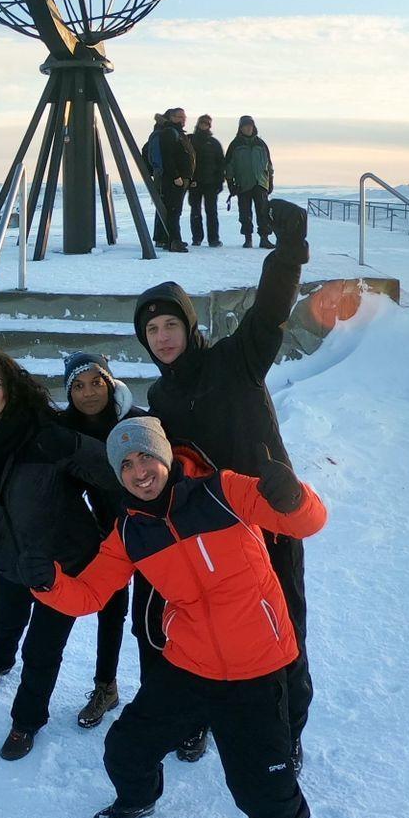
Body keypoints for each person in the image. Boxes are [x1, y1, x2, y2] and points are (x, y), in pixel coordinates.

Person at [32, 416, 326, 818]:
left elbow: (308, 523)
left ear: (166, 455)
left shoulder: (224, 492)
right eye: (125, 464)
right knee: (126, 747)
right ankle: (138, 797)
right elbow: (88, 595)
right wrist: (46, 583)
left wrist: (292, 495)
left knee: (262, 780)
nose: (138, 471)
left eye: (145, 456)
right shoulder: (130, 530)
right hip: (189, 666)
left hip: (257, 665)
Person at [134, 198, 315, 771]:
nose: (162, 337)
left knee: (283, 626)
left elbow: (269, 314)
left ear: (189, 326)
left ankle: (287, 731)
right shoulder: (159, 399)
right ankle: (198, 720)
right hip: (210, 533)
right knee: (204, 628)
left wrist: (287, 253)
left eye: (170, 324)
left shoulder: (236, 360)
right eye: (151, 330)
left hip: (269, 519)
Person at [0, 344, 120, 760]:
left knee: (43, 648)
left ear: (10, 391)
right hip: (5, 558)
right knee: (7, 619)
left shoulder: (44, 436)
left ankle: (26, 721)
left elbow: (111, 468)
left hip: (62, 561)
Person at [55, 352, 155, 728]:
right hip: (110, 537)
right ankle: (106, 686)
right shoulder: (70, 431)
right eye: (78, 386)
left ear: (110, 381)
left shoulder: (138, 421)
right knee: (111, 610)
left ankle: (166, 697)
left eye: (96, 381)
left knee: (156, 620)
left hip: (155, 532)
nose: (89, 393)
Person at [141, 108, 193, 253]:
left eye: (184, 117)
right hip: (172, 179)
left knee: (171, 209)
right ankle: (174, 241)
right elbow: (168, 156)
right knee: (173, 210)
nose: (182, 119)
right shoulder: (170, 133)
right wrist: (176, 176)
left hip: (174, 178)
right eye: (179, 116)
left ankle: (167, 238)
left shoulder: (174, 132)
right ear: (171, 117)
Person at [225, 116, 274, 249]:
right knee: (245, 213)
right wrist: (231, 184)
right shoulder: (235, 145)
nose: (248, 128)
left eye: (250, 126)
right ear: (240, 128)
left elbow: (269, 165)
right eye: (245, 126)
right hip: (243, 184)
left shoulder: (261, 144)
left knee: (263, 212)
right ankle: (248, 238)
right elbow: (229, 166)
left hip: (260, 183)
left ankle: (264, 238)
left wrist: (270, 182)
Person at [188, 114, 225, 248]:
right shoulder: (190, 140)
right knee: (195, 211)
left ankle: (213, 239)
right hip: (194, 183)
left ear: (209, 126)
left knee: (212, 211)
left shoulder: (214, 143)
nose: (204, 125)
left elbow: (221, 164)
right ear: (198, 124)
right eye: (202, 123)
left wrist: (220, 182)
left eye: (206, 123)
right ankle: (197, 238)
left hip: (211, 183)